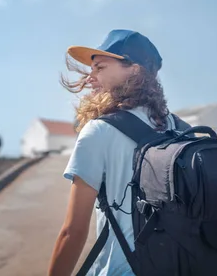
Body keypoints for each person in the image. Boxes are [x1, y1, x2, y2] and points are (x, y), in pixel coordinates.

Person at [48, 29, 179, 276]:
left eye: (100, 68)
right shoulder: (179, 128)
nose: (90, 78)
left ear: (134, 69)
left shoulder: (99, 131)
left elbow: (72, 232)